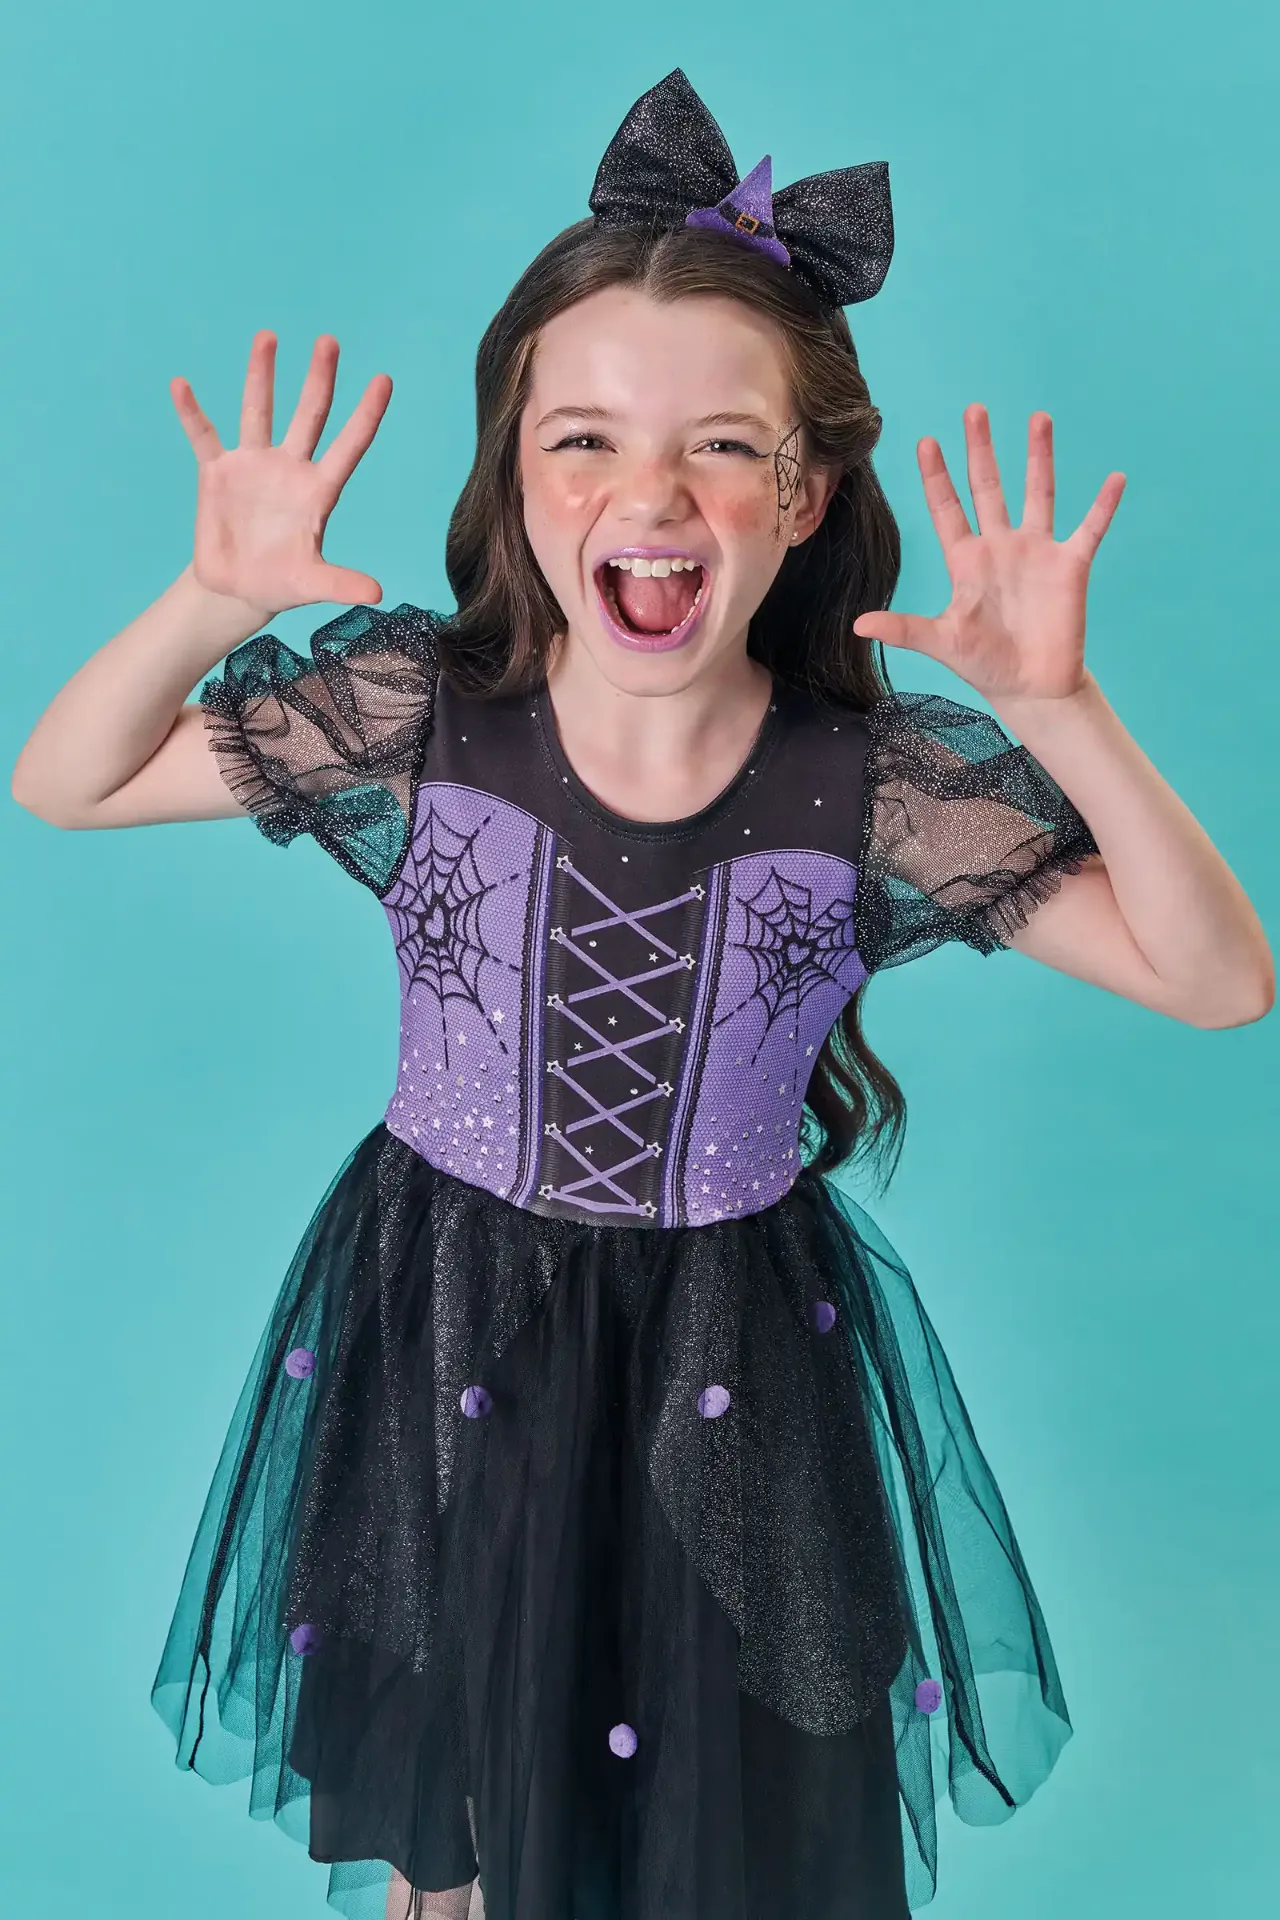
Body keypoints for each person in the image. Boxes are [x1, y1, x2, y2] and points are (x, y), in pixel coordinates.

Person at [12, 67, 1271, 1920]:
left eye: (726, 447)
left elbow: (1222, 982)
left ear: (806, 494)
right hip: (444, 1324)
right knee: (453, 1821)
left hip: (732, 1364)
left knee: (716, 1827)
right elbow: (67, 778)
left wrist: (1063, 711)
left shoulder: (871, 787)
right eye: (584, 438)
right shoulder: (423, 717)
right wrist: (212, 599)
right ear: (517, 478)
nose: (650, 495)